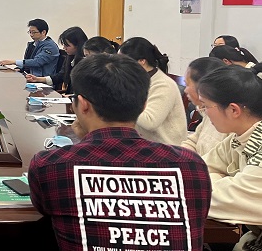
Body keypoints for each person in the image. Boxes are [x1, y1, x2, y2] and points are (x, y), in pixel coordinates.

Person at [28, 53, 211, 251]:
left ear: (82, 104)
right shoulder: (192, 166)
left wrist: (84, 141)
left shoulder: (50, 166)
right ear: (143, 106)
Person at [198, 65, 262, 250]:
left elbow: (222, 199)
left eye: (206, 106)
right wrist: (226, 181)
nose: (203, 112)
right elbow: (198, 169)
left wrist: (226, 183)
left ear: (233, 110)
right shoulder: (239, 137)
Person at [118, 37, 187, 145]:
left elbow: (150, 122)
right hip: (145, 145)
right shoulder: (137, 81)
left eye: (123, 62)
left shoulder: (163, 85)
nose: (119, 67)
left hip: (167, 147)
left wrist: (120, 99)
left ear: (142, 61)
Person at [180, 57, 227, 156]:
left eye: (187, 84)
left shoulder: (227, 121)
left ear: (204, 87)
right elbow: (193, 141)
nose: (185, 90)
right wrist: (181, 156)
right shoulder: (207, 112)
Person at [25, 26, 87, 93]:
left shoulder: (85, 63)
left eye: (67, 46)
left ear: (78, 45)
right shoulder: (69, 57)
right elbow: (60, 76)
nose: (64, 48)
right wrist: (37, 79)